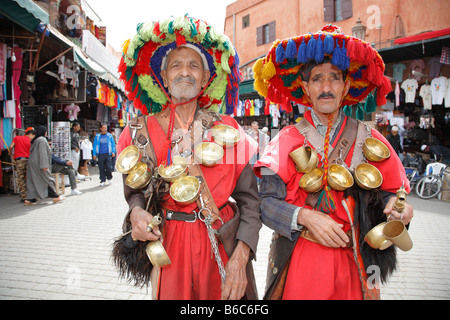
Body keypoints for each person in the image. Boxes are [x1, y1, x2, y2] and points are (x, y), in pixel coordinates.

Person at [253, 25, 414, 300]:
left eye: (334, 78)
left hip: (358, 262)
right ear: (305, 87)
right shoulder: (286, 140)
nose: (326, 88)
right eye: (317, 79)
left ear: (346, 85)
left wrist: (401, 212)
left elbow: (392, 197)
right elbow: (265, 204)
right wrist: (304, 216)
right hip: (302, 260)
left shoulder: (370, 139)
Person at [114, 15, 261, 300]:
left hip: (220, 240)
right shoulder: (139, 131)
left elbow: (251, 202)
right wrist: (136, 212)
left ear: (206, 78)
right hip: (169, 243)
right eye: (176, 65)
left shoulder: (229, 129)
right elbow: (134, 192)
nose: (185, 72)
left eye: (194, 65)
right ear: (164, 77)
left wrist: (242, 256)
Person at [25, 126, 65, 205]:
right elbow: (42, 153)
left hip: (32, 163)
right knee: (46, 179)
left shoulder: (35, 140)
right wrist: (44, 166)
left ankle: (30, 199)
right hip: (39, 163)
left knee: (32, 180)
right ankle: (55, 196)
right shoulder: (42, 140)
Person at [9, 127, 35, 201]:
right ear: (30, 134)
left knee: (21, 179)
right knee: (29, 178)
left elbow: (11, 146)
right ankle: (31, 195)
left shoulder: (17, 138)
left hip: (19, 161)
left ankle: (24, 196)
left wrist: (10, 154)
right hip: (29, 160)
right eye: (33, 135)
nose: (33, 137)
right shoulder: (30, 141)